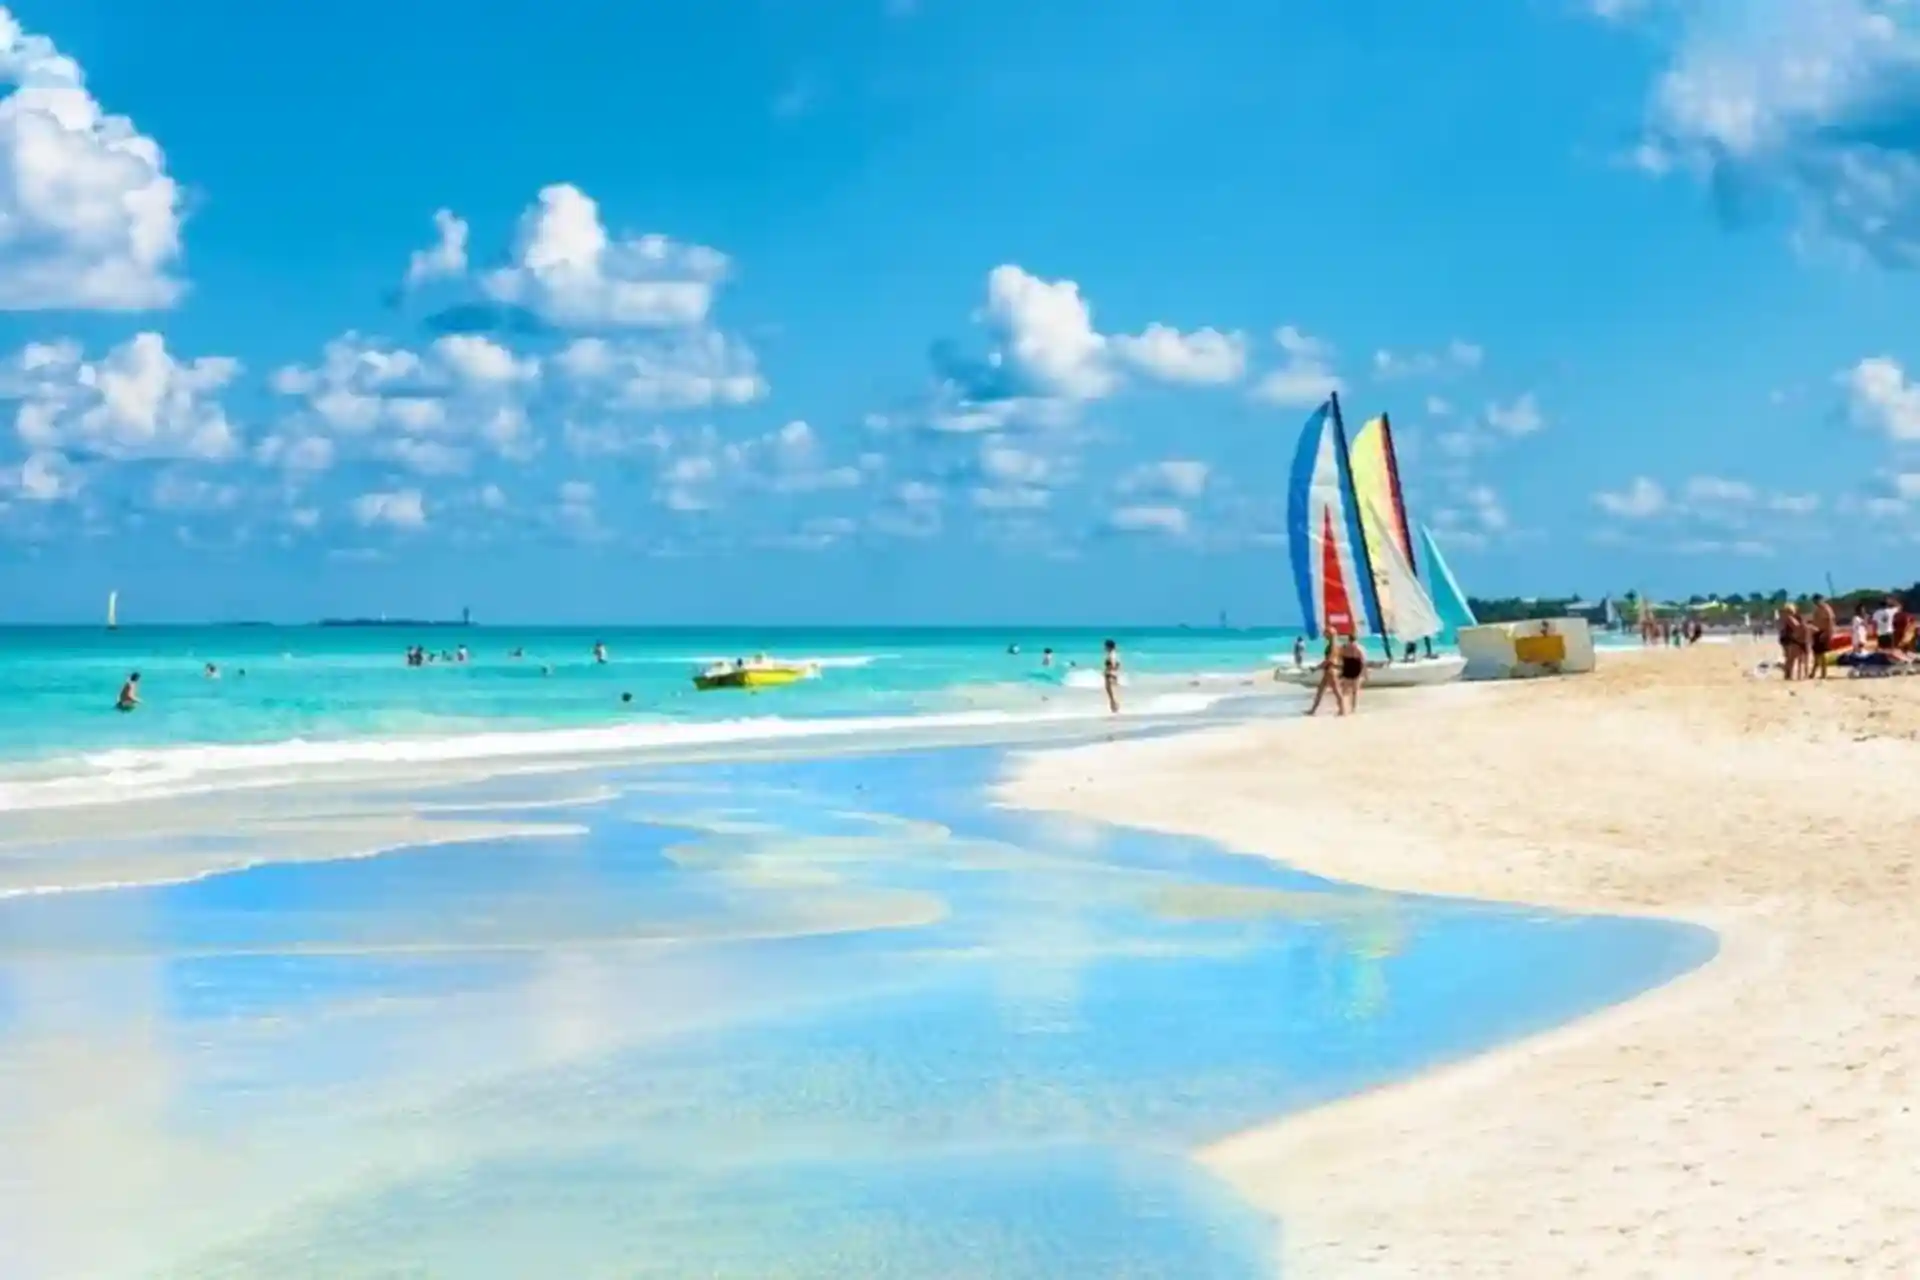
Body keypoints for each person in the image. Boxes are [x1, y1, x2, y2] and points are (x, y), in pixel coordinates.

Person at [1307, 637, 1343, 716]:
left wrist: (1316, 668)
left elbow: (1328, 661)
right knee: (1321, 691)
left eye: (1327, 634)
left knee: (1336, 691)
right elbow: (1337, 660)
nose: (1325, 636)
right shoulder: (1336, 646)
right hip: (1329, 671)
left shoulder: (1332, 647)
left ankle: (1342, 710)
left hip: (1330, 671)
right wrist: (1338, 667)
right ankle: (1313, 710)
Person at [1336, 633, 1368, 710]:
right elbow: (1363, 661)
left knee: (1344, 690)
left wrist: (1339, 670)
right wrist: (1365, 673)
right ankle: (1353, 708)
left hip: (1347, 667)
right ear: (1356, 639)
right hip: (1356, 668)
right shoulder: (1360, 648)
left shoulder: (1344, 647)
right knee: (1355, 691)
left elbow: (1339, 658)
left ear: (1348, 639)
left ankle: (1343, 707)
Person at [1777, 602, 1806, 680]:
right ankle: (1788, 674)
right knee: (1791, 658)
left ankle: (1787, 674)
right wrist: (1798, 636)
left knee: (1789, 658)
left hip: (1786, 639)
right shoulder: (1790, 618)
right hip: (1790, 639)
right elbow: (1797, 627)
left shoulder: (1785, 618)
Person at [1809, 595, 1835, 679]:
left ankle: (1823, 673)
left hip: (1823, 632)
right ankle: (1813, 672)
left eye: (1816, 601)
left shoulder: (1826, 609)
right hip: (1817, 632)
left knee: (1822, 654)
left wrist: (1827, 633)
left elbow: (1830, 621)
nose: (1815, 603)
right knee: (1816, 653)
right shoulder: (1817, 609)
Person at [1101, 638, 1121, 714]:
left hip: (1111, 674)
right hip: (1111, 674)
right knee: (1111, 693)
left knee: (1112, 693)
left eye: (1105, 646)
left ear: (1109, 646)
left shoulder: (1112, 654)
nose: (1104, 648)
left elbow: (1114, 664)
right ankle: (1115, 709)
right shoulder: (1112, 654)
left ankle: (1115, 709)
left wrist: (1109, 671)